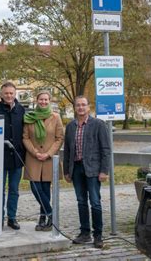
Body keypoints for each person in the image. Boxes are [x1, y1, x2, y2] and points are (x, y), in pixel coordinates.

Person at [63, 96, 111, 249]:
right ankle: (85, 233)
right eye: (78, 105)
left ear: (88, 107)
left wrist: (104, 170)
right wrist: (66, 171)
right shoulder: (70, 126)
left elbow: (106, 149)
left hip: (93, 169)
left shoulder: (98, 124)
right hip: (76, 169)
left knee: (95, 202)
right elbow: (67, 151)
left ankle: (98, 235)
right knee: (81, 201)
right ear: (75, 108)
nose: (81, 108)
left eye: (84, 105)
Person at [0, 81, 25, 230]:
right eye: (6, 93)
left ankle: (12, 217)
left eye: (11, 93)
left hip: (16, 157)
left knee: (14, 189)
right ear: (1, 94)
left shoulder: (21, 110)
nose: (9, 96)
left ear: (15, 94)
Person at [23, 91, 63, 231]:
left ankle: (43, 218)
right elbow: (25, 137)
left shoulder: (56, 117)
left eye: (46, 100)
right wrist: (35, 152)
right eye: (41, 99)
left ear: (50, 101)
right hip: (33, 158)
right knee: (35, 187)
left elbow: (59, 138)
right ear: (37, 100)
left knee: (45, 189)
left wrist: (48, 153)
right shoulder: (29, 117)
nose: (43, 102)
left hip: (49, 158)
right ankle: (51, 213)